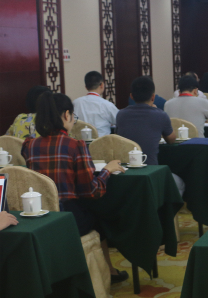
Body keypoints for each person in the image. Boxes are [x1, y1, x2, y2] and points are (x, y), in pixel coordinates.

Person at [21, 91, 127, 283]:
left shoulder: (30, 145)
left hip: (40, 217)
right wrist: (107, 171)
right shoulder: (75, 145)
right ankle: (109, 272)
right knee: (100, 217)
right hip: (68, 218)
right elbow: (92, 191)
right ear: (67, 115)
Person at [117, 77, 184, 191]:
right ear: (153, 97)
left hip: (125, 172)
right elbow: (171, 140)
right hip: (151, 172)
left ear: (131, 96)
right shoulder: (160, 115)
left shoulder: (120, 114)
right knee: (180, 183)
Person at [72, 71, 119, 137]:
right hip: (101, 141)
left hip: (80, 141)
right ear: (102, 85)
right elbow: (120, 121)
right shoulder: (107, 105)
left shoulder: (75, 103)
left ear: (86, 87)